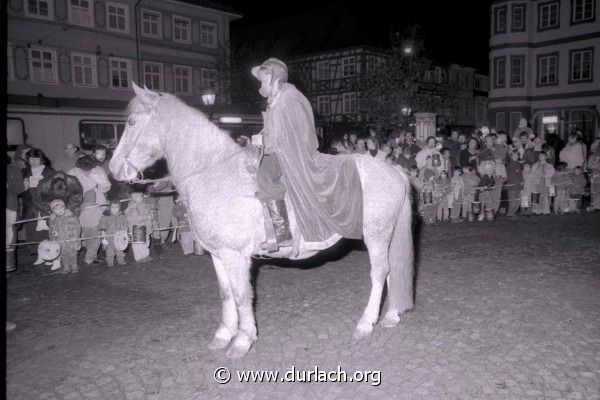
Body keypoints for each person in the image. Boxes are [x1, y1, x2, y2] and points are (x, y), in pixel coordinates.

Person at [251, 58, 363, 252]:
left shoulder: (290, 98)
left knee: (265, 175)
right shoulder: (276, 100)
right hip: (281, 150)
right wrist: (261, 137)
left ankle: (282, 231)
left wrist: (266, 142)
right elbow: (275, 129)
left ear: (274, 77)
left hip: (293, 154)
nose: (261, 84)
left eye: (263, 79)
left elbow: (295, 132)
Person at [68, 155, 111, 265]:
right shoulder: (72, 173)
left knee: (96, 231)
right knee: (87, 232)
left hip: (97, 203)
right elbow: (69, 191)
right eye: (83, 169)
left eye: (88, 169)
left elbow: (105, 187)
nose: (86, 171)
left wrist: (97, 182)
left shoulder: (99, 171)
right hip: (81, 205)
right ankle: (91, 254)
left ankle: (90, 257)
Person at [20, 148, 55, 247]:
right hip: (29, 205)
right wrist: (23, 187)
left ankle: (48, 252)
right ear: (27, 159)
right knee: (31, 228)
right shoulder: (23, 172)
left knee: (47, 229)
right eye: (31, 159)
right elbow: (18, 192)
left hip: (45, 205)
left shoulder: (49, 171)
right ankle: (35, 252)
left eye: (37, 159)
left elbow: (57, 188)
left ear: (41, 160)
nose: (34, 161)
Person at [47, 199, 81, 274]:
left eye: (61, 208)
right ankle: (66, 266)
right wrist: (54, 236)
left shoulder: (71, 217)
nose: (59, 210)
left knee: (73, 253)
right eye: (56, 209)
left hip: (71, 240)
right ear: (53, 211)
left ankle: (74, 265)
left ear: (64, 207)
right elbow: (51, 231)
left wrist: (75, 237)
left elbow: (77, 227)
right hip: (60, 241)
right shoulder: (53, 221)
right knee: (63, 254)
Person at [6, 155, 25, 272]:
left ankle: (9, 263)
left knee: (9, 230)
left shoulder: (13, 169)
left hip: (9, 205)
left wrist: (9, 186)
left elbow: (20, 188)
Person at [125, 189, 155, 263]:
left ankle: (145, 256)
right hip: (137, 228)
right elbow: (133, 219)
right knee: (138, 244)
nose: (141, 197)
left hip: (146, 227)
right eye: (138, 196)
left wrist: (151, 216)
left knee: (146, 243)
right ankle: (139, 258)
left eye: (141, 196)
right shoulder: (132, 207)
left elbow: (149, 212)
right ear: (133, 197)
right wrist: (146, 217)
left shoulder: (144, 204)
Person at [99, 200, 128, 266]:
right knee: (110, 250)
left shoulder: (122, 216)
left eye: (116, 207)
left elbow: (125, 224)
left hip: (119, 236)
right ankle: (110, 261)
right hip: (110, 236)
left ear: (119, 208)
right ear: (109, 207)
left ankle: (121, 260)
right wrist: (103, 232)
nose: (114, 209)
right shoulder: (105, 216)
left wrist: (125, 231)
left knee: (120, 249)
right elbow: (102, 224)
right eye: (113, 207)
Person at [505, 151, 523, 217]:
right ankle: (510, 213)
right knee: (513, 200)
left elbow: (520, 175)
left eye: (517, 155)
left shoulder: (518, 164)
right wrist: (519, 182)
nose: (515, 156)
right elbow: (510, 176)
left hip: (518, 186)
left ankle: (513, 212)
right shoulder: (510, 165)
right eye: (513, 155)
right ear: (511, 156)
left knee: (517, 200)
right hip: (512, 186)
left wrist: (521, 182)